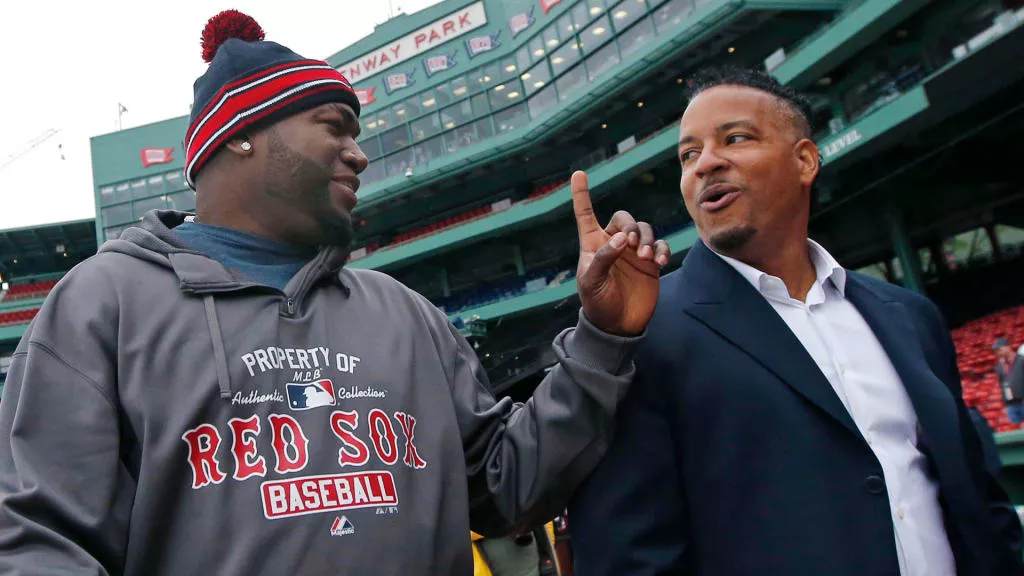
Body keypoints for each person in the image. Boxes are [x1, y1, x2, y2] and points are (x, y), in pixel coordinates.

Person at [0, 12, 670, 576]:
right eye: (333, 126)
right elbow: (42, 541)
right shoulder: (101, 303)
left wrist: (602, 339)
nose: (359, 153)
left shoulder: (404, 312)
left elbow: (506, 486)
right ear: (239, 133)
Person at [569, 67, 1024, 576]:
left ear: (805, 160)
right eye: (688, 155)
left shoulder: (910, 316)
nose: (705, 164)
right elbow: (626, 558)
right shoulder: (643, 333)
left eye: (734, 138)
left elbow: (978, 497)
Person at [995, 337, 1024, 423]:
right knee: (1017, 432)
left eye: (999, 349)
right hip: (1011, 404)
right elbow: (1002, 383)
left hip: (1022, 400)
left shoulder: (1021, 360)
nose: (998, 352)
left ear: (1007, 347)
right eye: (996, 351)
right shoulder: (1000, 366)